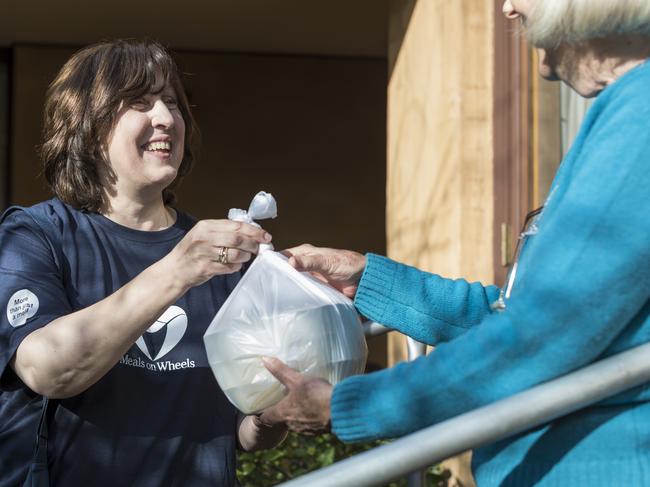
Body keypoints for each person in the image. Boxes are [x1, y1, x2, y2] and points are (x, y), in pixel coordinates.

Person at [260, 1, 650, 485]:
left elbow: (535, 339)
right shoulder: (626, 112)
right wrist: (369, 279)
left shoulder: (641, 117)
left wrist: (346, 405)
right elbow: (517, 319)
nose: (508, 9)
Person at [0, 39, 286, 487]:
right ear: (86, 126)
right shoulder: (35, 235)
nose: (166, 119)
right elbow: (48, 369)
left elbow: (238, 430)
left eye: (172, 103)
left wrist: (274, 410)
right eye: (139, 103)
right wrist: (178, 270)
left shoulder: (220, 255)